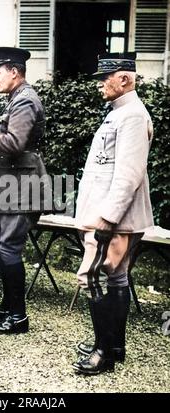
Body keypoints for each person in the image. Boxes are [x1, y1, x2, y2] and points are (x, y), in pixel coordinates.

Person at [72, 52, 154, 374]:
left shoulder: (131, 115)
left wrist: (107, 219)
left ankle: (103, 351)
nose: (101, 84)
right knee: (117, 277)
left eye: (106, 77)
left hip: (114, 217)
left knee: (91, 275)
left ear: (125, 79)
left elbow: (129, 174)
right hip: (113, 215)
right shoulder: (119, 112)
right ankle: (113, 346)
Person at [0, 47, 50, 334]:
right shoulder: (18, 98)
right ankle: (6, 307)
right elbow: (14, 138)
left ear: (14, 71)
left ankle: (18, 317)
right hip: (13, 182)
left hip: (22, 184)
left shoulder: (25, 100)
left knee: (9, 249)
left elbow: (14, 144)